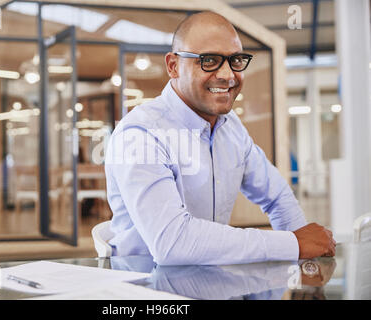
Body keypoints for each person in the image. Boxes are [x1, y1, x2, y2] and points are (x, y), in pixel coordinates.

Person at [104, 11, 336, 265]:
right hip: (147, 290)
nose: (227, 75)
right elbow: (173, 244)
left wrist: (306, 260)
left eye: (235, 60)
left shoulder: (230, 127)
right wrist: (292, 244)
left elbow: (277, 197)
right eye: (210, 60)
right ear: (173, 66)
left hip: (210, 282)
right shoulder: (141, 134)